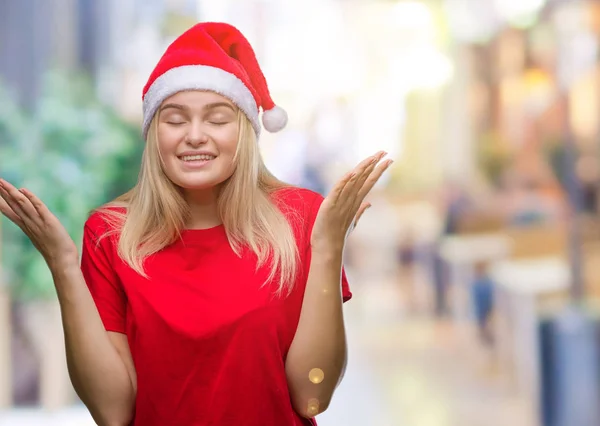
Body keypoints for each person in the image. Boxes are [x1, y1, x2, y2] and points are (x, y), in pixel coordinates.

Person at [0, 22, 392, 426]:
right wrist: (63, 265)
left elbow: (312, 394)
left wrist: (328, 248)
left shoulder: (303, 219)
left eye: (217, 119)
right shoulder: (110, 234)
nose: (195, 136)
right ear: (155, 133)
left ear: (244, 131)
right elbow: (112, 411)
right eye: (175, 119)